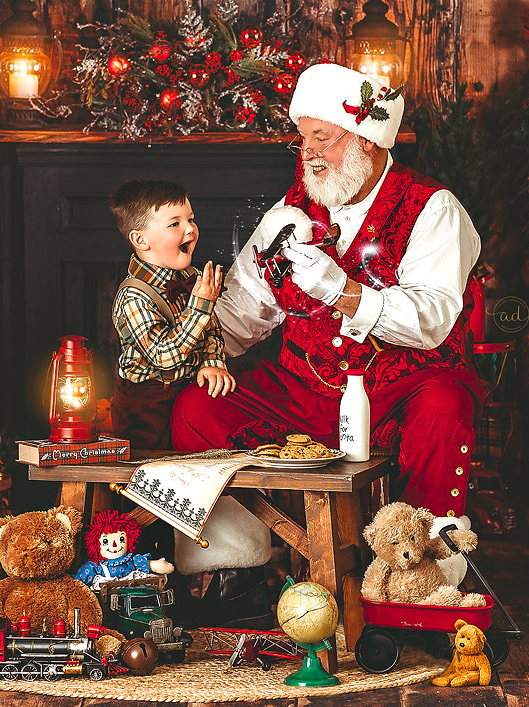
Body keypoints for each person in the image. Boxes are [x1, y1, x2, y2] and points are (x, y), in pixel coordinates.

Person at [171, 62, 484, 518]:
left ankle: (418, 571)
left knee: (443, 410)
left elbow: (431, 319)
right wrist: (179, 344)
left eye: (322, 138)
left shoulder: (434, 209)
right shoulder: (290, 209)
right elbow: (244, 307)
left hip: (401, 394)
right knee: (199, 409)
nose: (307, 152)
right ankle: (249, 557)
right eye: (304, 137)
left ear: (368, 139)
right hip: (303, 394)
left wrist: (343, 291)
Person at [108, 179, 236, 450]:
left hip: (186, 394)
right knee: (152, 476)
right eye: (174, 223)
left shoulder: (192, 278)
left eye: (191, 219)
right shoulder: (133, 296)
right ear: (140, 240)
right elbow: (164, 356)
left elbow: (211, 330)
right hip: (146, 406)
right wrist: (200, 306)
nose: (189, 228)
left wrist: (212, 362)